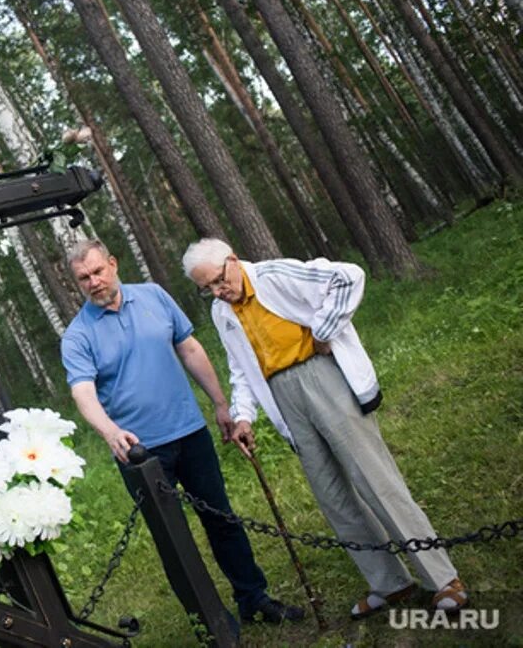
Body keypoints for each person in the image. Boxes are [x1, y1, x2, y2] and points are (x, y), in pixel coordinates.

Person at [181, 238, 468, 618]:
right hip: (284, 397)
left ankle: (443, 580)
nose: (218, 292)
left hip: (321, 378)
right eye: (208, 289)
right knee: (332, 495)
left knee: (375, 480)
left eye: (219, 281)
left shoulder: (273, 273)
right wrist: (243, 416)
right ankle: (389, 583)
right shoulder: (223, 312)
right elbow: (241, 370)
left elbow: (349, 277)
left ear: (232, 260)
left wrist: (322, 330)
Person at [60, 239, 304, 624]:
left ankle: (253, 598)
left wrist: (221, 404)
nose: (93, 281)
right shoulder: (77, 336)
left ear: (112, 263)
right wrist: (109, 432)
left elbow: (189, 348)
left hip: (190, 432)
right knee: (175, 543)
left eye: (97, 271)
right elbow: (83, 391)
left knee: (222, 518)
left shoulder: (154, 296)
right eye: (83, 278)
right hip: (139, 453)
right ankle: (210, 622)